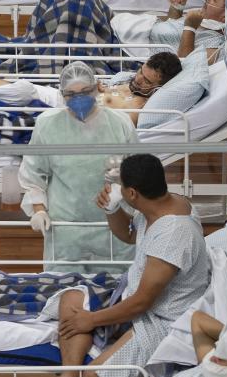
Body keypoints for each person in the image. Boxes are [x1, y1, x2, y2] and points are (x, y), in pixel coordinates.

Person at [19, 153, 210, 377]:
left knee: (96, 376)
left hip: (163, 320)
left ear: (132, 193)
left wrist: (92, 320)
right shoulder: (164, 204)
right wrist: (112, 210)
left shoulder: (174, 235)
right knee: (72, 299)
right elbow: (129, 235)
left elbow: (142, 303)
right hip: (137, 298)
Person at [19, 61, 140, 273]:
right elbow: (33, 174)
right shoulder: (47, 125)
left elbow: (139, 174)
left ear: (97, 88)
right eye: (71, 94)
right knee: (64, 291)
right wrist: (38, 210)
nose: (79, 99)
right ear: (62, 95)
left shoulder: (120, 124)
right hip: (66, 229)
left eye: (85, 91)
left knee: (116, 294)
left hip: (115, 227)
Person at [98, 51, 184, 124]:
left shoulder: (137, 109)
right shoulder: (126, 82)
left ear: (158, 88)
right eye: (141, 71)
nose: (138, 79)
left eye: (147, 81)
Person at [148, 0, 227, 65]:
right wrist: (177, 7)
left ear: (224, 17)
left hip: (142, 44)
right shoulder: (201, 20)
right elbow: (172, 25)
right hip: (146, 24)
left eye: (214, 0)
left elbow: (185, 65)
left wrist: (190, 28)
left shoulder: (216, 45)